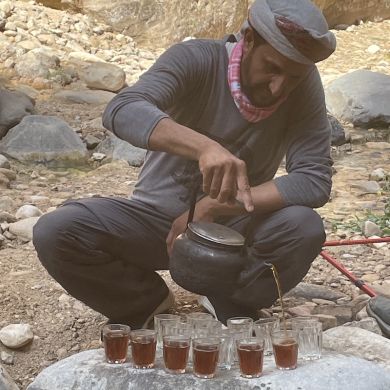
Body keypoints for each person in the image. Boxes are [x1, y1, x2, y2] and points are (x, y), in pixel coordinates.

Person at [33, 0, 336, 327]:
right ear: (248, 40)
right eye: (272, 68)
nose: (280, 87)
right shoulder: (197, 58)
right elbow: (122, 109)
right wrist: (204, 147)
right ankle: (145, 302)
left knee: (304, 227)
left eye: (292, 78)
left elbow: (314, 179)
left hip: (233, 231)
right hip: (156, 221)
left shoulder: (303, 86)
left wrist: (215, 206)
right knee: (55, 231)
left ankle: (229, 297)